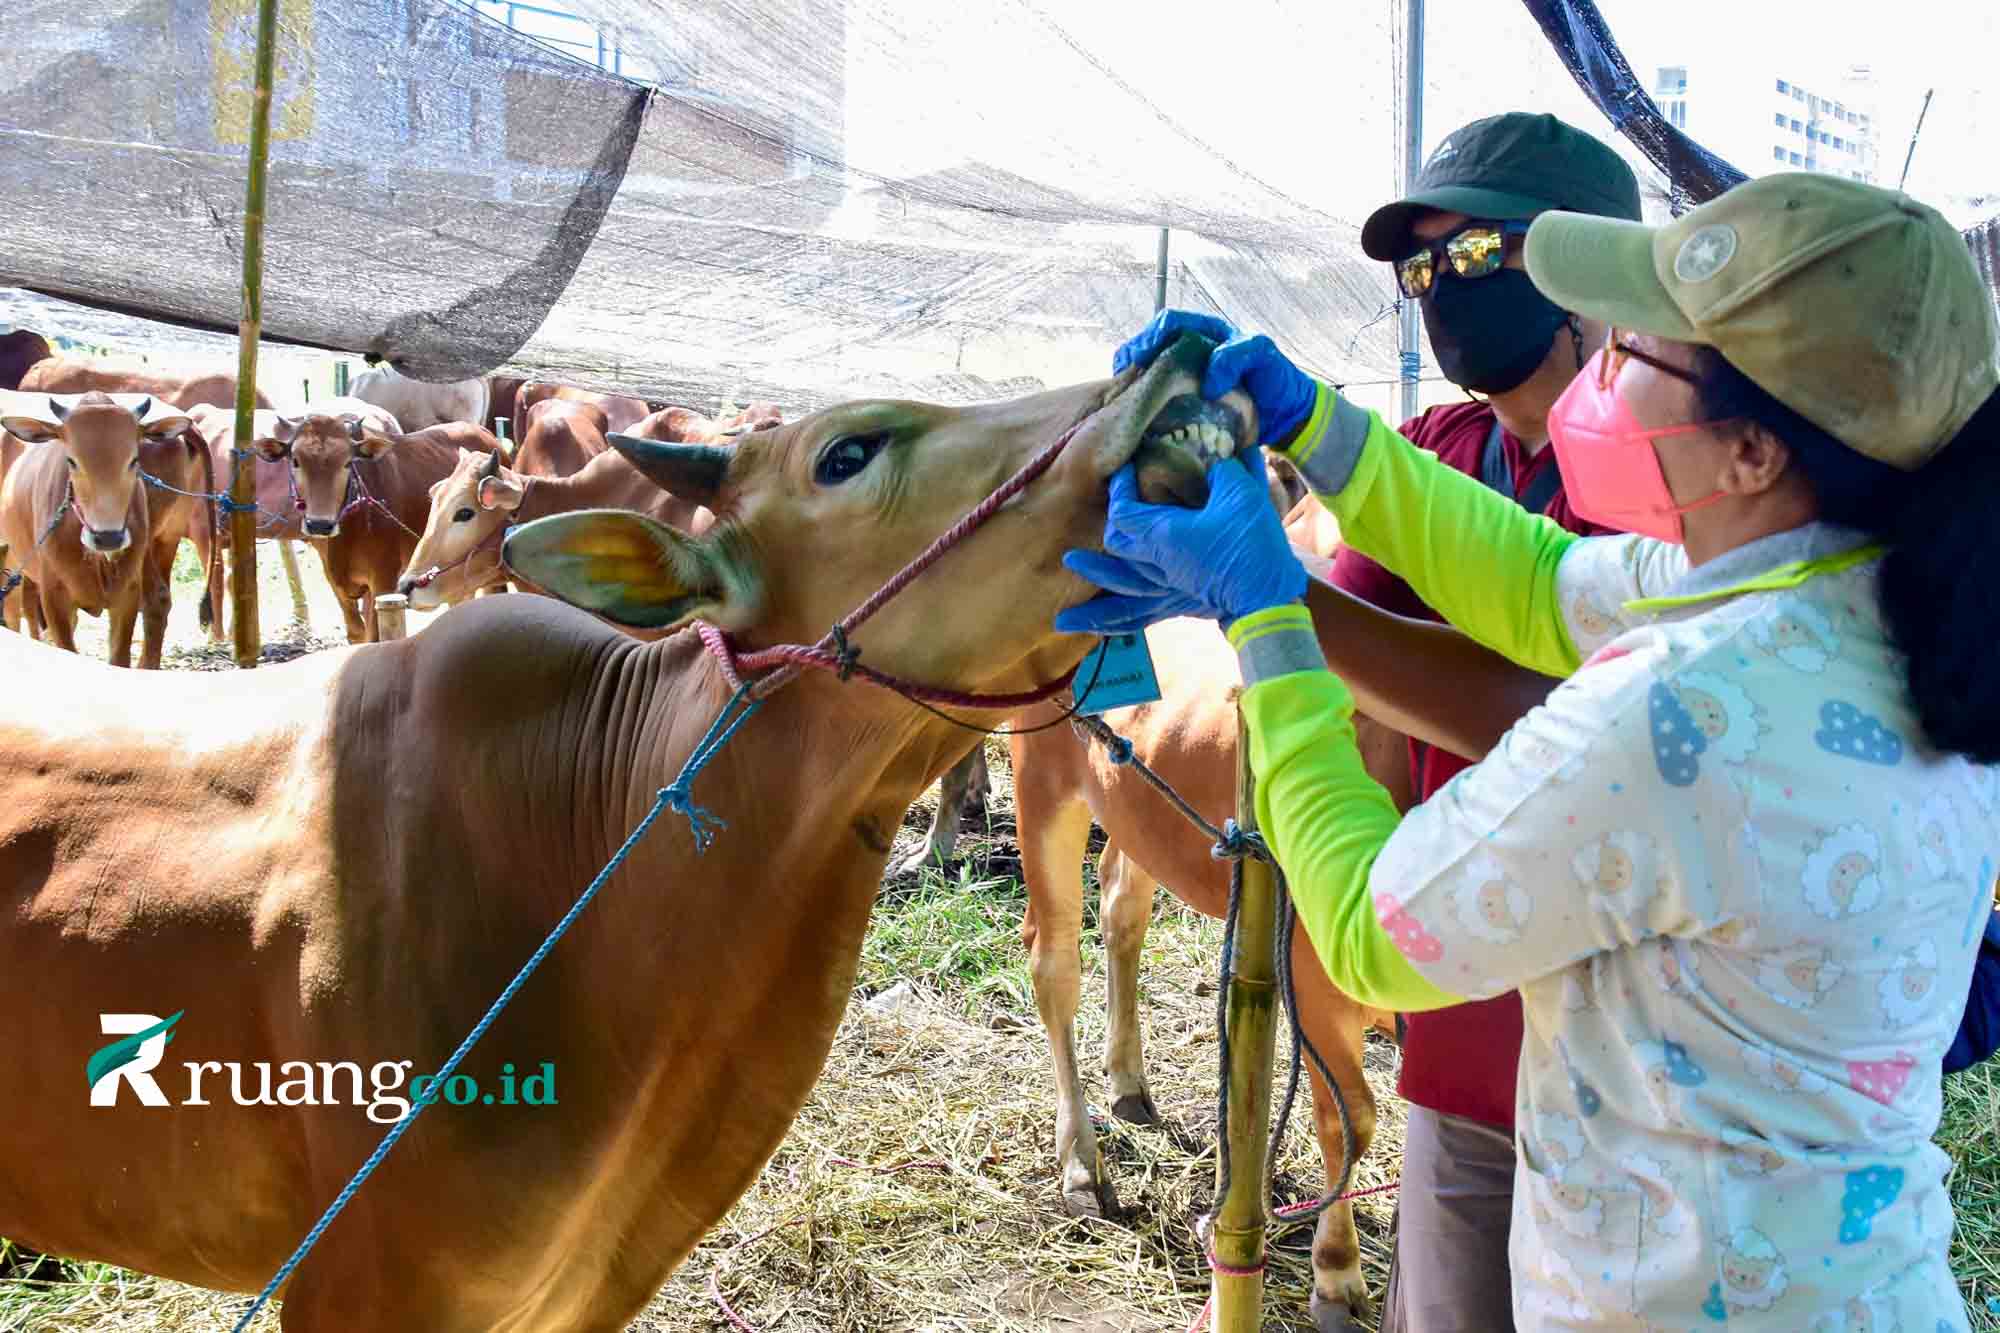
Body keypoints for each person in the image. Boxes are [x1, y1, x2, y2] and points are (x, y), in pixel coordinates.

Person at [1063, 174, 1999, 1327]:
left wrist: (1265, 621)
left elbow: (1364, 932)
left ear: (1750, 448)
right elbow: (1536, 581)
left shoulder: (1685, 714)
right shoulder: (1850, 590)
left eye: (1640, 348)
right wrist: (1317, 420)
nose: (1603, 366)